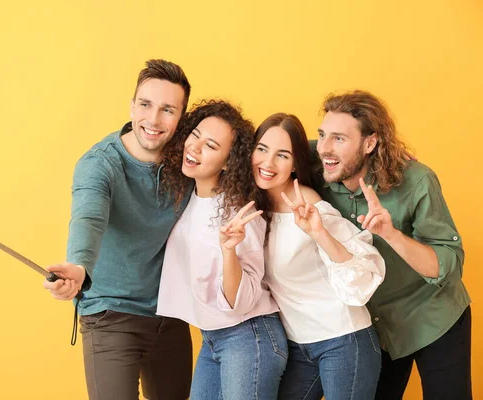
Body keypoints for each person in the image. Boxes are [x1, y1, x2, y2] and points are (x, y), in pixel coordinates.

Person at [42, 59, 193, 400]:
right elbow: (89, 217)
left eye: (168, 110)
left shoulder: (188, 161)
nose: (153, 120)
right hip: (111, 316)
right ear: (132, 106)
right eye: (145, 105)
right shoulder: (100, 164)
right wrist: (79, 266)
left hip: (169, 314)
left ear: (181, 118)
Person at [315, 90, 471, 399]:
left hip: (433, 317)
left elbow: (449, 264)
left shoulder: (416, 180)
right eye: (322, 135)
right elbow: (281, 145)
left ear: (370, 143)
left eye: (339, 139)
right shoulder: (320, 167)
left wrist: (392, 234)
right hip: (376, 328)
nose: (324, 149)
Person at [157, 100, 287, 400]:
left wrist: (229, 251)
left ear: (229, 161)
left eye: (211, 145)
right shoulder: (188, 196)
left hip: (248, 335)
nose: (196, 147)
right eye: (196, 135)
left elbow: (239, 301)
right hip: (213, 338)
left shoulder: (240, 211)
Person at [251, 113, 385, 399]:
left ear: (296, 163)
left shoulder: (309, 206)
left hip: (344, 340)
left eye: (282, 155)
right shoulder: (252, 206)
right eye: (261, 149)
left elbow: (363, 269)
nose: (268, 163)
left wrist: (319, 233)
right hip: (298, 346)